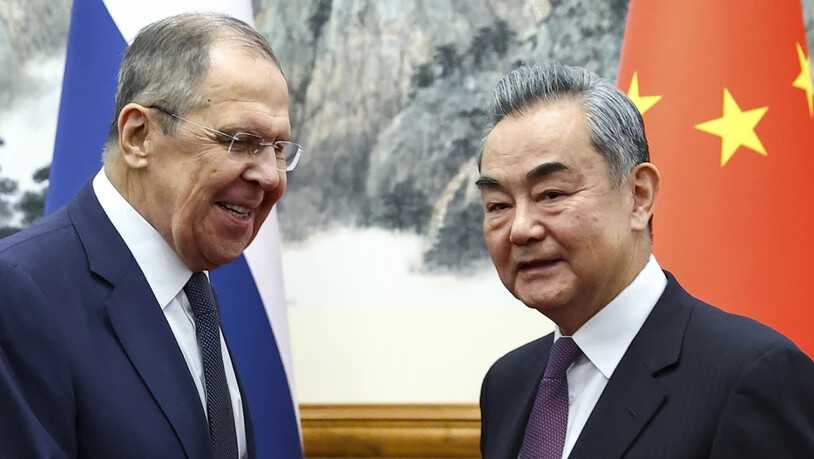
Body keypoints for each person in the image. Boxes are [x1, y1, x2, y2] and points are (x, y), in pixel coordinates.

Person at [0, 13, 301, 459]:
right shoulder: (19, 291)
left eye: (278, 149)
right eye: (240, 141)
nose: (269, 176)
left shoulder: (193, 288)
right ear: (139, 136)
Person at [476, 63, 814, 459]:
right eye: (498, 205)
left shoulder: (751, 375)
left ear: (639, 196)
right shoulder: (507, 383)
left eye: (551, 195)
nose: (520, 230)